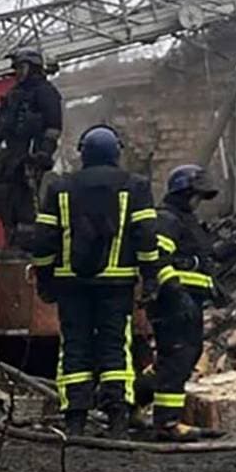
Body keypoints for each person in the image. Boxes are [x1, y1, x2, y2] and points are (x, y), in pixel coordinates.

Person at [30, 125, 158, 437]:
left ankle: (75, 420)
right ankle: (117, 419)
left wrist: (45, 279)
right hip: (117, 286)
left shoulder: (60, 188)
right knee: (115, 347)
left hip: (71, 284)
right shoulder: (135, 186)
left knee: (74, 347)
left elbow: (44, 240)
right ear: (116, 152)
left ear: (83, 154)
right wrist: (151, 276)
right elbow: (145, 235)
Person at [148, 163, 231, 439]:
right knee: (178, 358)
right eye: (196, 196)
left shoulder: (186, 220)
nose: (199, 202)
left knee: (179, 357)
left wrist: (219, 254)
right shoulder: (167, 219)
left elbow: (194, 257)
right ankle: (167, 423)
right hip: (173, 302)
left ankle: (134, 402)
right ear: (184, 193)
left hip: (188, 300)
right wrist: (175, 291)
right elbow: (158, 259)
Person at [0, 48, 62, 249]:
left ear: (33, 68)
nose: (18, 72)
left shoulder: (46, 92)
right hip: (11, 155)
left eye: (21, 67)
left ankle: (27, 248)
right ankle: (11, 242)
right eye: (17, 68)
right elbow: (3, 124)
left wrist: (44, 153)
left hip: (31, 157)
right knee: (3, 198)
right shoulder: (14, 93)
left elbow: (53, 127)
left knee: (26, 204)